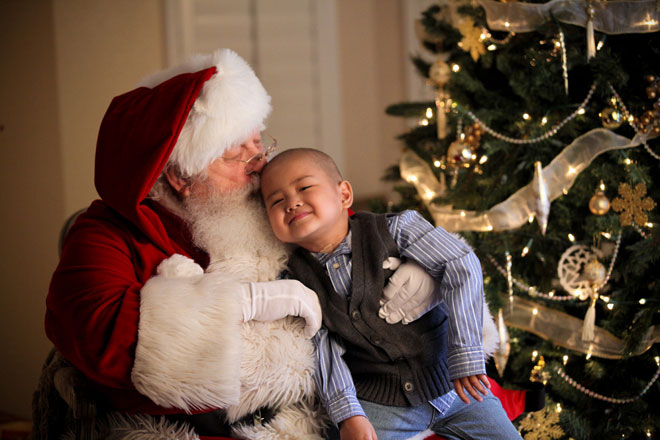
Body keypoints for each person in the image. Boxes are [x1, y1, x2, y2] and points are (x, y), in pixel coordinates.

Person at [36, 49, 441, 440]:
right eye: (236, 154)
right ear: (181, 177)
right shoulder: (103, 234)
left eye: (258, 141)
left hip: (324, 414)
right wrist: (244, 305)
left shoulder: (259, 203)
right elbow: (104, 336)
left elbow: (347, 237)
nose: (261, 161)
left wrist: (424, 267)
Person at [260, 148, 524, 440]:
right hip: (383, 402)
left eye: (304, 187)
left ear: (344, 194)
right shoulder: (296, 280)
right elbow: (322, 348)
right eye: (276, 200)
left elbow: (459, 262)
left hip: (453, 382)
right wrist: (349, 414)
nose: (292, 202)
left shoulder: (397, 229)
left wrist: (465, 354)